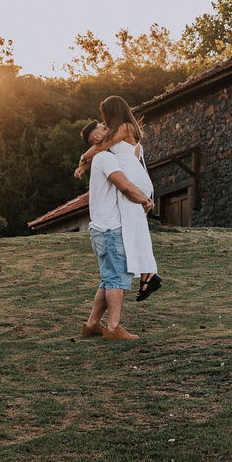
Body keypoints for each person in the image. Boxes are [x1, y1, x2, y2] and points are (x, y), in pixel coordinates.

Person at [76, 96, 163, 302]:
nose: (105, 122)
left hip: (132, 180)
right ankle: (147, 274)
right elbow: (101, 149)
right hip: (136, 179)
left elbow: (98, 148)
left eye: (105, 117)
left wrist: (82, 159)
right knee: (134, 230)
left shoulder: (124, 127)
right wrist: (84, 165)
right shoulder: (123, 131)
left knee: (130, 231)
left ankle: (148, 273)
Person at [79, 119, 154, 341]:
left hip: (102, 229)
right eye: (104, 129)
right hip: (110, 229)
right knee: (118, 278)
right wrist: (145, 200)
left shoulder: (103, 157)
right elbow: (125, 185)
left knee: (108, 278)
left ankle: (92, 324)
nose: (109, 130)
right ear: (97, 138)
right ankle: (113, 328)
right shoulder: (105, 157)